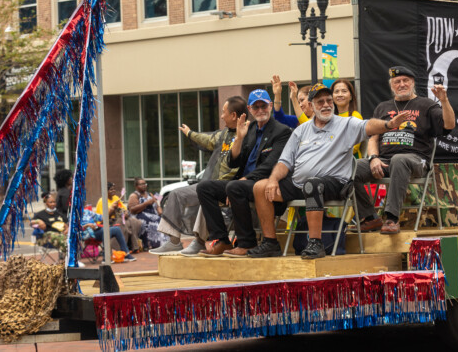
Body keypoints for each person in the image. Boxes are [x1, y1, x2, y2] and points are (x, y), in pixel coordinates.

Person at [248, 84, 408, 259]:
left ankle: (316, 243)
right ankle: (270, 243)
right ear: (311, 105)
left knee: (313, 184)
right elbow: (284, 162)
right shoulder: (301, 130)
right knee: (260, 187)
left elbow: (369, 125)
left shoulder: (346, 124)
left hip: (335, 183)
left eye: (328, 101)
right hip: (298, 184)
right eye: (320, 101)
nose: (326, 105)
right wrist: (272, 180)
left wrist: (388, 124)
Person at [352, 66, 456, 234]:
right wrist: (373, 158)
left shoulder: (426, 104)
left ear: (413, 82)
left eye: (405, 80)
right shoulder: (382, 107)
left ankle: (392, 218)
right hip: (385, 161)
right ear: (392, 85)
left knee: (399, 159)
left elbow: (449, 125)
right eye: (397, 82)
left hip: (416, 160)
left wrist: (444, 101)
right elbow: (374, 138)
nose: (401, 84)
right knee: (351, 167)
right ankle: (370, 217)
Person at [197, 89, 292, 257]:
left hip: (264, 183)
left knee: (235, 187)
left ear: (271, 105)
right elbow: (233, 162)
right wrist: (239, 138)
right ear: (249, 109)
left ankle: (246, 243)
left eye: (264, 106)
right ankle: (222, 240)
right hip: (242, 182)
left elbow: (271, 165)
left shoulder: (282, 131)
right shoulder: (250, 128)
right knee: (204, 187)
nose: (261, 110)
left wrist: (244, 179)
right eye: (256, 107)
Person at [150, 96, 247, 256]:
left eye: (224, 112)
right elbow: (206, 139)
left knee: (206, 195)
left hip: (228, 188)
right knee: (175, 194)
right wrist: (189, 133)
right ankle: (174, 242)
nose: (222, 116)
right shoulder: (222, 135)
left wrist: (236, 186)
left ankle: (199, 242)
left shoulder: (246, 135)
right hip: (208, 184)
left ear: (234, 115)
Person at [96, 182, 142, 252]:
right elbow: (103, 218)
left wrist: (126, 212)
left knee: (135, 222)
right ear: (106, 191)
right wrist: (112, 209)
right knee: (124, 223)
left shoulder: (116, 198)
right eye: (111, 189)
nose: (113, 191)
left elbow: (123, 208)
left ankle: (134, 246)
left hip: (119, 218)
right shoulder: (102, 201)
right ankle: (119, 248)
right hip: (108, 221)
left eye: (114, 189)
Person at [127, 178, 166, 250]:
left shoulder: (150, 194)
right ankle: (150, 244)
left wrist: (160, 210)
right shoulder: (134, 195)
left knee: (163, 220)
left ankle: (165, 242)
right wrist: (146, 203)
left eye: (145, 184)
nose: (144, 186)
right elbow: (132, 210)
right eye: (141, 184)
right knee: (153, 221)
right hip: (139, 215)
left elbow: (158, 202)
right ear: (136, 186)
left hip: (153, 215)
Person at [331, 79, 364, 158]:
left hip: (351, 161)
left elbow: (354, 148)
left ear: (351, 96)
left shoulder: (355, 116)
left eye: (344, 91)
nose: (340, 94)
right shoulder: (330, 118)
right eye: (336, 92)